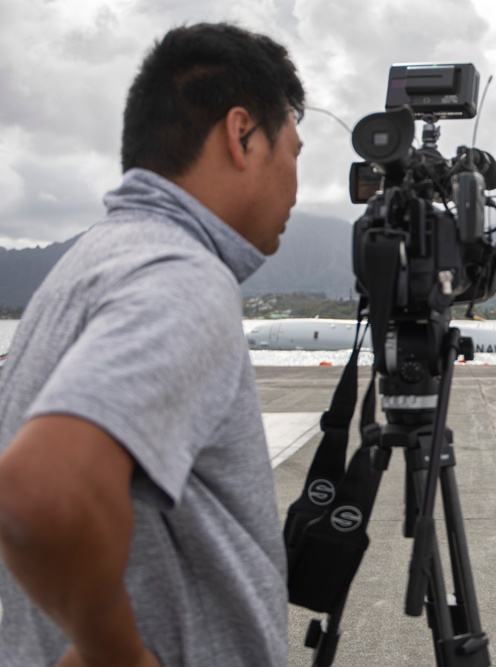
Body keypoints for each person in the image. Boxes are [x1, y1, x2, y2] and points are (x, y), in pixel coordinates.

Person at [0, 23, 305, 666]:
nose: (296, 187)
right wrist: (118, 655)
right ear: (242, 134)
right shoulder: (181, 273)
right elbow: (38, 491)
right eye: (294, 152)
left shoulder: (89, 262)